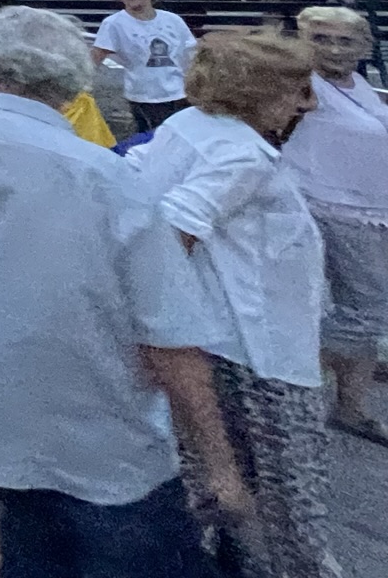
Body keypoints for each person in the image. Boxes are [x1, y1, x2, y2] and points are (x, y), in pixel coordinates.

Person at [0, 9, 246, 577]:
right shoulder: (109, 180)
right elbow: (170, 340)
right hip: (111, 447)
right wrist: (219, 466)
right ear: (71, 84)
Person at [134, 30, 334, 574]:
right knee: (292, 495)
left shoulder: (186, 126)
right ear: (258, 93)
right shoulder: (240, 156)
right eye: (298, 90)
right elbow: (174, 230)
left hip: (217, 335)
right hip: (256, 349)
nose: (308, 103)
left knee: (211, 481)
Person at [284, 6, 388, 446]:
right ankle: (288, 381)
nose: (334, 49)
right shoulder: (298, 83)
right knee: (366, 307)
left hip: (369, 206)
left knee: (366, 310)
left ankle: (351, 407)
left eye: (346, 41)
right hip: (328, 205)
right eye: (321, 38)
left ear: (364, 47)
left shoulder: (357, 84)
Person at [88, 0, 195, 134]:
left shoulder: (173, 20)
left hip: (179, 92)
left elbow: (189, 54)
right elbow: (96, 57)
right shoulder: (113, 24)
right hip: (145, 96)